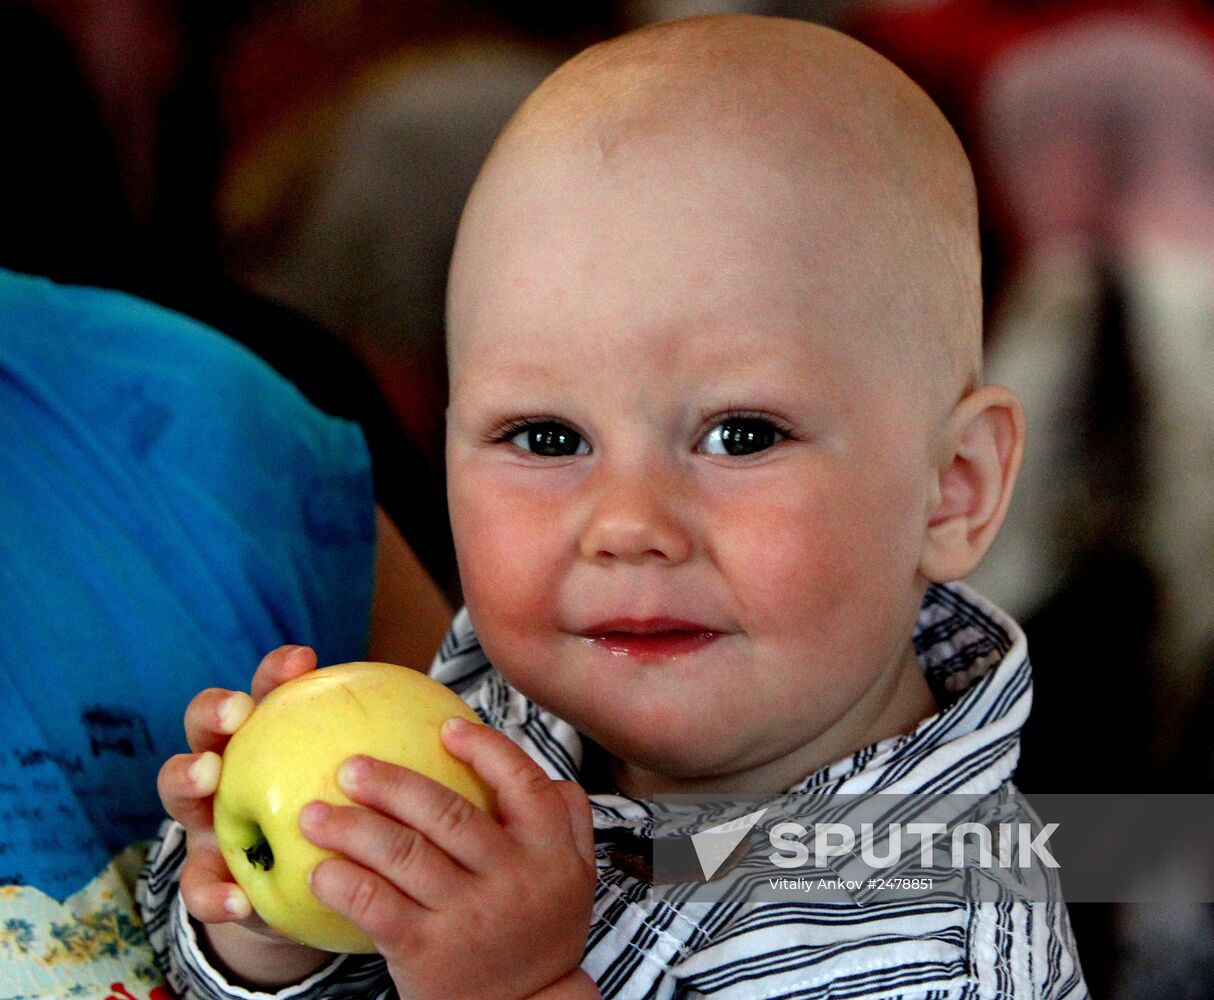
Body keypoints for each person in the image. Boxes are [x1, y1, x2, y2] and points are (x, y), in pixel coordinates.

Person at [142, 14, 1087, 999]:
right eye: (547, 438)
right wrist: (270, 931)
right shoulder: (492, 720)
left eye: (740, 434)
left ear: (955, 486)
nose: (627, 522)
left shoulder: (940, 944)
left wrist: (515, 988)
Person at [0, 266, 448, 999]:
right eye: (547, 440)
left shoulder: (221, 421)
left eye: (714, 438)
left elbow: (661, 861)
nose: (626, 523)